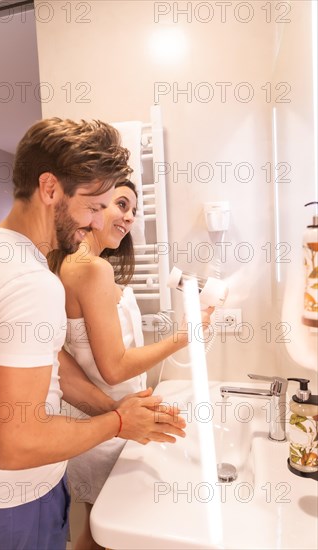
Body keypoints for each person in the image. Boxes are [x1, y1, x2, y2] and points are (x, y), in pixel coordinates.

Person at [0, 118, 186, 550]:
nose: (97, 222)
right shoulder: (29, 282)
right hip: (16, 498)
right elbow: (17, 443)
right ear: (50, 188)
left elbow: (55, 363)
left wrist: (113, 406)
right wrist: (118, 422)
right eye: (94, 206)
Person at [48, 180, 213, 550]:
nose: (130, 217)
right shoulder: (89, 268)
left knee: (99, 532)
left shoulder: (83, 267)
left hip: (106, 416)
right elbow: (114, 367)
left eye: (135, 210)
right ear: (96, 206)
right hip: (106, 424)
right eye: (121, 205)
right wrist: (184, 337)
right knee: (107, 536)